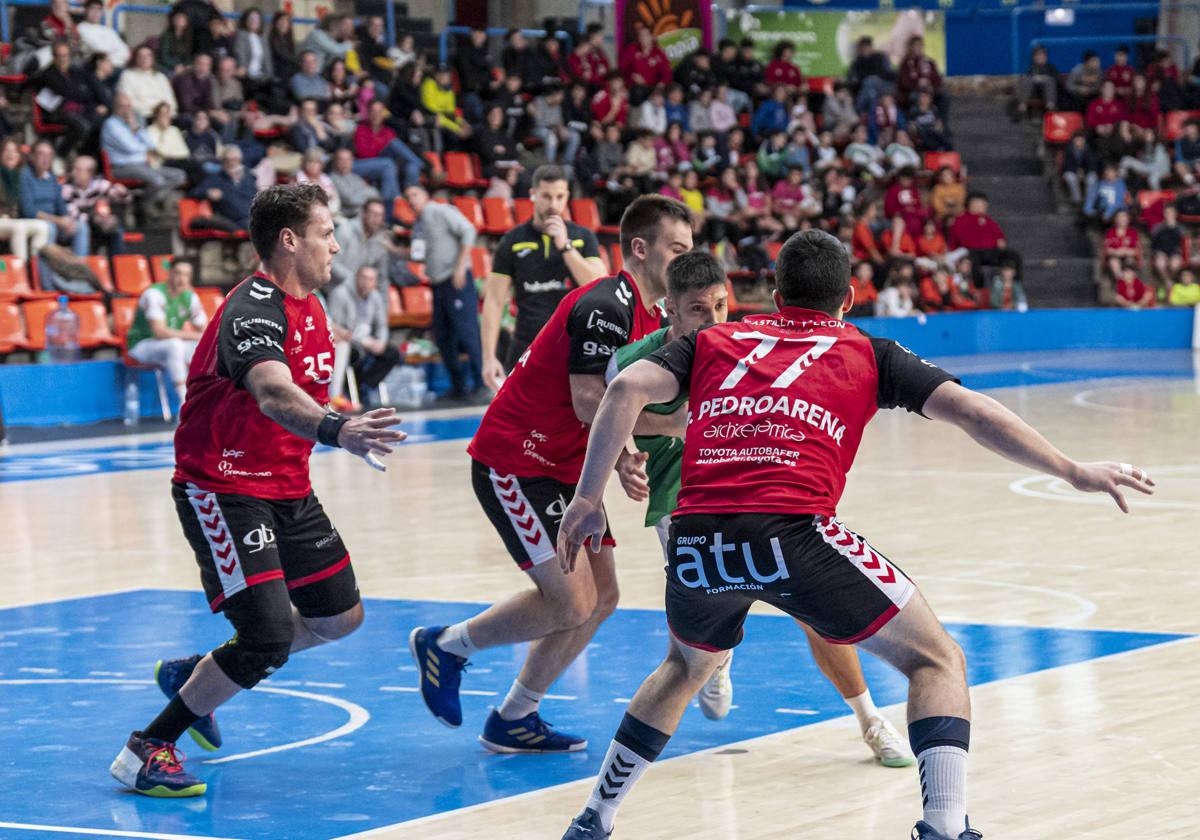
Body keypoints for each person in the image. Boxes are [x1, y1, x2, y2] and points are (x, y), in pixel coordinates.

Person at [555, 227, 1156, 840]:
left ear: (771, 292)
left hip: (695, 540)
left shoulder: (715, 340)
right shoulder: (868, 350)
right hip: (791, 531)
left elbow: (625, 388)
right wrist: (1072, 470)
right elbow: (975, 412)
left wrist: (585, 499)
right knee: (936, 659)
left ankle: (593, 819)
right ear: (848, 299)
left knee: (684, 668)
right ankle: (946, 828)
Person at [109, 183, 407, 798]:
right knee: (268, 636)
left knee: (339, 616)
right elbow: (273, 393)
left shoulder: (315, 309)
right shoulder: (251, 309)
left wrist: (337, 420)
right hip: (222, 487)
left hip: (287, 487)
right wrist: (338, 428)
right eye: (327, 232)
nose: (336, 244)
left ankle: (198, 673)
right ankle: (147, 747)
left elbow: (302, 394)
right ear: (290, 240)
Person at [408, 196, 693, 752]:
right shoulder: (607, 304)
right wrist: (648, 439)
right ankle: (448, 645)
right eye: (676, 249)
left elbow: (615, 408)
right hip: (517, 462)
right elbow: (592, 401)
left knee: (603, 596)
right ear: (639, 248)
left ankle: (515, 716)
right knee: (570, 602)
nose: (685, 261)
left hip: (566, 469)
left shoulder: (649, 314)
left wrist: (627, 455)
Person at [608, 248, 915, 762]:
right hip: (679, 500)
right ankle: (714, 656)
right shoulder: (634, 360)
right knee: (692, 652)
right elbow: (604, 412)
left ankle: (871, 720)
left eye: (721, 307)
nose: (713, 320)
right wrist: (623, 458)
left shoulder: (745, 345)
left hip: (761, 490)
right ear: (670, 311)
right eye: (699, 311)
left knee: (816, 616)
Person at [482, 166, 607, 387]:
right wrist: (488, 358)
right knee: (520, 420)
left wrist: (565, 246)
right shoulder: (512, 240)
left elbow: (599, 286)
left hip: (575, 350)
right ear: (533, 195)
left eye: (559, 197)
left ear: (567, 196)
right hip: (526, 348)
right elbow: (493, 301)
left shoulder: (582, 237)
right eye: (546, 196)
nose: (553, 204)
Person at [403, 184, 485, 402]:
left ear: (426, 195)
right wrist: (395, 250)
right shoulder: (420, 224)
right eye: (408, 196)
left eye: (414, 193)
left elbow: (469, 230)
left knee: (468, 332)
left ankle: (482, 384)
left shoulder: (441, 211)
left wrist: (461, 266)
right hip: (438, 284)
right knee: (443, 336)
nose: (411, 199)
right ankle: (458, 387)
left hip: (456, 279)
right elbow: (420, 255)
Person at [126, 259, 207, 402]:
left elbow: (205, 330)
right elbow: (159, 332)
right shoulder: (154, 294)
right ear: (169, 273)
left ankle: (211, 397)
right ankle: (186, 401)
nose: (182, 279)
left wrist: (205, 337)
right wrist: (197, 335)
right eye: (178, 274)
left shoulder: (189, 296)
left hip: (171, 347)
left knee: (211, 347)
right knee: (174, 344)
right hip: (141, 345)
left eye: (187, 275)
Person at [101, 92, 188, 211]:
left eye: (129, 106)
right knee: (158, 180)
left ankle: (146, 200)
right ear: (115, 107)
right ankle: (143, 207)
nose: (127, 110)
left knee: (179, 175)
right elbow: (131, 147)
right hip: (122, 167)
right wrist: (143, 146)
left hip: (143, 165)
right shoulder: (111, 124)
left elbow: (151, 144)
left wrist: (135, 128)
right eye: (123, 106)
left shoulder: (133, 123)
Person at [328, 265, 400, 401]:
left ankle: (364, 386)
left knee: (392, 354)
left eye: (371, 279)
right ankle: (348, 392)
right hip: (347, 341)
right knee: (353, 355)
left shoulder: (376, 297)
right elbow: (336, 328)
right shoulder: (340, 294)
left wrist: (381, 341)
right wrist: (364, 342)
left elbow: (382, 325)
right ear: (356, 278)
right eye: (364, 278)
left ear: (375, 282)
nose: (367, 283)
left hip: (368, 339)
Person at [189, 146, 257, 231]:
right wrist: (208, 192)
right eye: (228, 160)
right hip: (235, 221)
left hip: (254, 217)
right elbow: (193, 193)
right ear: (223, 161)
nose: (231, 163)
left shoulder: (249, 177)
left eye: (235, 159)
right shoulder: (215, 179)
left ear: (240, 160)